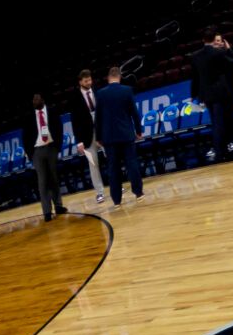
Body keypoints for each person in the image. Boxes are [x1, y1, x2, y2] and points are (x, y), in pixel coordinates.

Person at [95, 67, 145, 205]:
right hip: (126, 134)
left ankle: (116, 200)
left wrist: (98, 138)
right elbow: (134, 113)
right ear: (120, 77)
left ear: (108, 77)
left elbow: (98, 118)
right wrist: (139, 131)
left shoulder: (100, 94)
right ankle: (138, 192)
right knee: (132, 163)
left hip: (109, 138)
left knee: (113, 168)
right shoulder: (127, 90)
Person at [191, 29, 233, 162]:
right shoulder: (219, 53)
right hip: (219, 93)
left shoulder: (195, 55)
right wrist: (229, 50)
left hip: (206, 95)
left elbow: (195, 77)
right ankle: (220, 151)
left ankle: (221, 148)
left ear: (203, 40)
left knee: (216, 122)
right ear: (214, 39)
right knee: (219, 123)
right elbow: (231, 63)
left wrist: (194, 94)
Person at [21, 92, 69, 221]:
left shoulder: (52, 112)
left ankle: (58, 206)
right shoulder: (29, 117)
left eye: (37, 99)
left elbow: (59, 128)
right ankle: (47, 212)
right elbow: (25, 137)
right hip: (37, 151)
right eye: (33, 100)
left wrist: (57, 147)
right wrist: (31, 154)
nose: (35, 102)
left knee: (54, 178)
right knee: (42, 182)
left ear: (42, 100)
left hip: (51, 148)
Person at [66, 68, 105, 205]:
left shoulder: (97, 90)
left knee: (111, 157)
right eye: (86, 80)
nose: (89, 82)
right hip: (86, 136)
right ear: (80, 82)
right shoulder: (75, 98)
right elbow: (75, 121)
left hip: (102, 130)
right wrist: (79, 141)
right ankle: (100, 192)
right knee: (93, 164)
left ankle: (117, 185)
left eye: (90, 79)